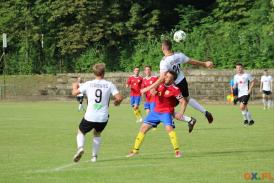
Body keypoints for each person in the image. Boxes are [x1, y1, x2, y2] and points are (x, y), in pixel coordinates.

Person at [141, 39, 214, 124]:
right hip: (182, 81)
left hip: (172, 85)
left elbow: (161, 78)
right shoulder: (179, 55)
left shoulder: (164, 62)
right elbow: (191, 61)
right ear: (171, 47)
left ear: (162, 48)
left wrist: (149, 88)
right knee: (187, 99)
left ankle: (177, 122)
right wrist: (204, 64)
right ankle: (204, 112)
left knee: (165, 106)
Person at [127, 71, 196, 158]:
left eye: (169, 77)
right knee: (143, 128)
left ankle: (177, 152)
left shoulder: (175, 89)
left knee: (169, 129)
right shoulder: (160, 84)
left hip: (166, 112)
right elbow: (152, 90)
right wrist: (151, 92)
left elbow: (183, 101)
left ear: (172, 79)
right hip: (155, 112)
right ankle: (135, 151)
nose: (166, 78)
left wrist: (181, 113)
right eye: (166, 76)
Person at [71, 63, 123, 162]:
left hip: (90, 116)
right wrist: (116, 102)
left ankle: (80, 148)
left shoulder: (88, 84)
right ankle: (94, 157)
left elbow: (74, 93)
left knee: (81, 131)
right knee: (97, 134)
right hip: (103, 117)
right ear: (104, 73)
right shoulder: (109, 84)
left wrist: (74, 86)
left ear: (94, 73)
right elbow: (119, 98)